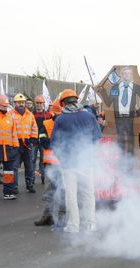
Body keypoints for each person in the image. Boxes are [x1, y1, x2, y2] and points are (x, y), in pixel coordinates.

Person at [51, 89, 102, 233]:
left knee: (71, 195)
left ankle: (74, 225)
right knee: (88, 193)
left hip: (68, 163)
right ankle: (91, 224)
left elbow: (55, 142)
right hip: (86, 161)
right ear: (76, 100)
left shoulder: (60, 119)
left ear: (63, 103)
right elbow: (97, 137)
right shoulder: (89, 116)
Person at [98, 66, 140, 156]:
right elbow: (109, 103)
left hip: (130, 118)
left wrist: (138, 113)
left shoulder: (136, 88)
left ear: (131, 76)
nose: (126, 75)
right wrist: (103, 92)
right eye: (124, 74)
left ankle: (130, 164)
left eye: (129, 74)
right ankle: (121, 164)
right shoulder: (115, 88)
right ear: (121, 75)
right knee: (120, 141)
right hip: (119, 118)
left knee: (130, 142)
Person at [34, 98, 65, 226]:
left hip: (64, 163)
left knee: (63, 190)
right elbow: (42, 140)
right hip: (51, 163)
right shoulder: (46, 124)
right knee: (50, 191)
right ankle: (48, 216)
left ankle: (62, 217)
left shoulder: (66, 123)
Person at [11, 93, 38, 193]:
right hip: (15, 144)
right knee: (14, 166)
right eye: (19, 102)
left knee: (29, 166)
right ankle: (14, 186)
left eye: (22, 102)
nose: (21, 104)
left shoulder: (30, 115)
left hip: (27, 144)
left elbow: (34, 128)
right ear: (15, 103)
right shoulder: (10, 114)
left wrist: (33, 140)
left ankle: (30, 184)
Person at [33, 95, 52, 184]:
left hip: (44, 141)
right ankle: (31, 178)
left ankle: (42, 176)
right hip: (33, 140)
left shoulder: (48, 115)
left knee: (43, 159)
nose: (39, 105)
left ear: (43, 104)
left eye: (41, 103)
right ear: (35, 103)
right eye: (37, 103)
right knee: (32, 159)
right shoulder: (31, 115)